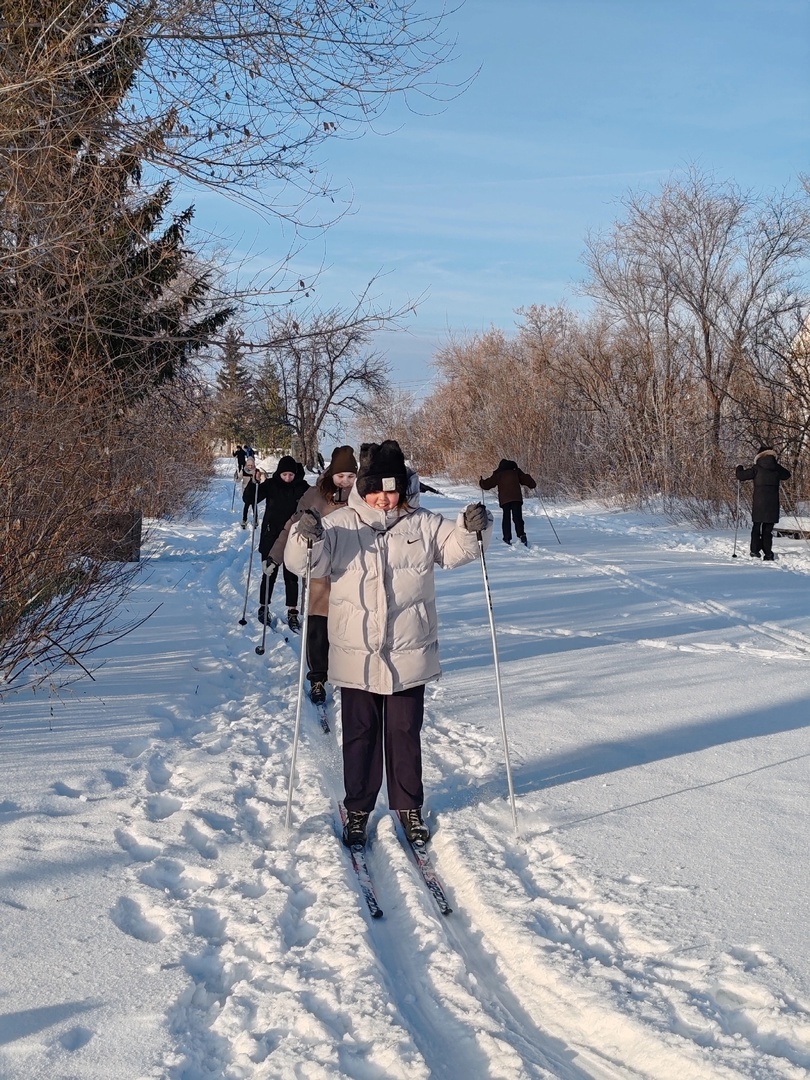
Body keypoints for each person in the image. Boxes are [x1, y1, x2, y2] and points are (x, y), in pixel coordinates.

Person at [285, 439, 492, 847]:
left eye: (392, 489)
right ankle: (358, 808)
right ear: (362, 488)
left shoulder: (423, 523)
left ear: (404, 488)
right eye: (376, 489)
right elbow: (306, 564)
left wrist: (469, 529)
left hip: (408, 649)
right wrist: (304, 536)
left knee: (404, 730)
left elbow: (455, 551)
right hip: (356, 651)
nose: (384, 498)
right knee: (360, 732)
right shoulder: (342, 524)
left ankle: (409, 807)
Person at [269, 446, 358, 705]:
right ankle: (317, 678)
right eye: (341, 476)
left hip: (351, 574)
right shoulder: (314, 495)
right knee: (318, 628)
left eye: (351, 477)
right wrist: (275, 556)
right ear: (331, 473)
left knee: (347, 629)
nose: (345, 482)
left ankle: (347, 676)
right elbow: (292, 527)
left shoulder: (363, 498)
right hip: (320, 572)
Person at [245, 455, 309, 626]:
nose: (288, 478)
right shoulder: (271, 485)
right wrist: (254, 483)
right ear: (279, 473)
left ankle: (292, 611)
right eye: (284, 475)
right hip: (270, 536)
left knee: (292, 576)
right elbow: (250, 499)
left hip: (294, 538)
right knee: (269, 574)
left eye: (291, 475)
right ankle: (263, 607)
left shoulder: (302, 487)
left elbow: (315, 501)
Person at [736, 445, 791, 561]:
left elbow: (740, 476)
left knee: (756, 527)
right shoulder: (776, 468)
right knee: (767, 530)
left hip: (759, 503)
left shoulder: (756, 468)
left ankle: (755, 551)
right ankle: (768, 554)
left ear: (759, 455)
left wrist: (739, 468)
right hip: (772, 505)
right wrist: (777, 467)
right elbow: (787, 475)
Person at [479, 459, 536, 545]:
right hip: (516, 498)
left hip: (505, 499)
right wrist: (531, 483)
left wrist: (482, 482)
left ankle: (507, 538)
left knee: (506, 518)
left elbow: (488, 484)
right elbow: (528, 482)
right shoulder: (516, 471)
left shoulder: (499, 473)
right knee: (518, 517)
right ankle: (521, 535)